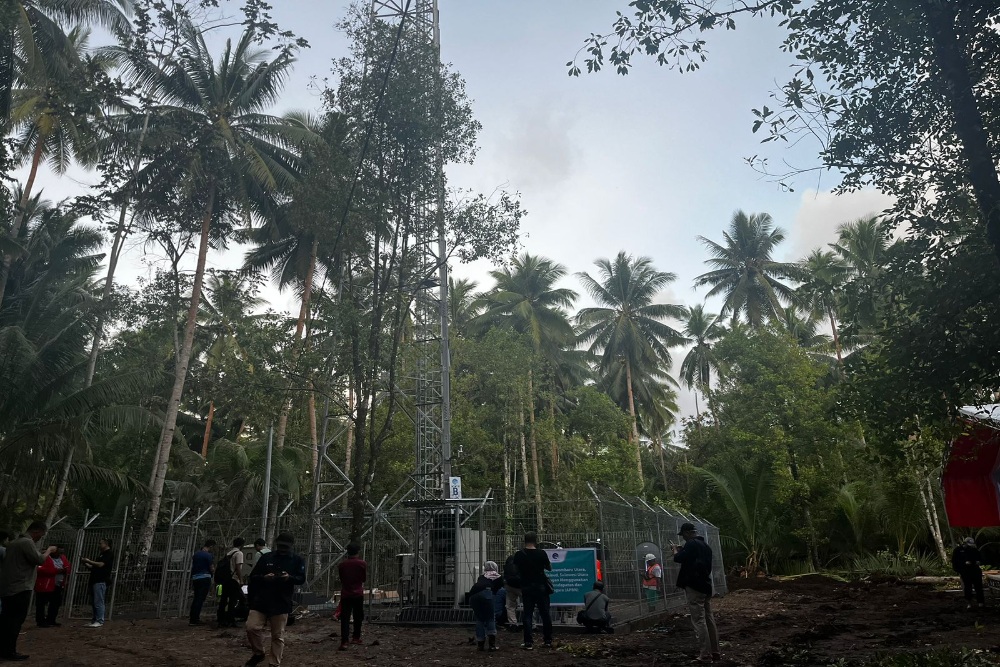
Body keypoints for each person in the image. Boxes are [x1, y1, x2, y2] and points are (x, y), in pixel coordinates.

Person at [243, 532, 306, 667]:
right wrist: (264, 578)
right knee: (251, 627)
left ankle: (274, 663)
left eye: (285, 546)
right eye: (281, 546)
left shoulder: (297, 560)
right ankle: (259, 653)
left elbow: (301, 579)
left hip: (281, 601)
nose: (283, 549)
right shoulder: (266, 557)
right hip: (261, 600)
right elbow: (253, 576)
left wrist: (289, 578)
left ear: (291, 546)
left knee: (277, 635)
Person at [0, 522, 55, 660]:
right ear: (37, 531)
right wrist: (48, 551)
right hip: (21, 587)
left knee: (7, 620)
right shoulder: (26, 542)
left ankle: (4, 649)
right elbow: (39, 560)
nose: (40, 538)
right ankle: (9, 652)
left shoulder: (14, 543)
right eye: (41, 535)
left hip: (9, 587)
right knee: (15, 621)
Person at [673, 522, 719, 662]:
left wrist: (675, 549)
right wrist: (683, 550)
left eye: (683, 536)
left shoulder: (691, 544)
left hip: (694, 587)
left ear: (687, 533)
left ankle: (705, 654)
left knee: (698, 620)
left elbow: (678, 558)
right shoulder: (705, 546)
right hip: (705, 585)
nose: (683, 539)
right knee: (709, 618)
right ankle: (715, 651)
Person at [513, 532, 552, 650]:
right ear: (536, 541)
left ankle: (528, 642)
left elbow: (515, 570)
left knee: (528, 614)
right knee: (545, 613)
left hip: (526, 587)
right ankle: (548, 640)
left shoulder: (519, 555)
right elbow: (549, 568)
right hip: (540, 586)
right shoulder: (541, 553)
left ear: (524, 541)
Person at [337, 543, 367, 650]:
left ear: (347, 552)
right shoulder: (362, 564)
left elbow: (342, 579)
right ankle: (356, 637)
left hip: (346, 594)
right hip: (358, 593)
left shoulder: (342, 565)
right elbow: (363, 579)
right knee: (358, 616)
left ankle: (344, 641)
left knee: (345, 617)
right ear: (357, 552)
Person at [468, 561, 504, 651]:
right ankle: (492, 645)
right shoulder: (498, 577)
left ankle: (480, 645)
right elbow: (496, 591)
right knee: (490, 618)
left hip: (473, 596)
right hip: (487, 593)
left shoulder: (482, 576)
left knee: (480, 619)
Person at [35, 545, 71, 627]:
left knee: (55, 603)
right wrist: (55, 571)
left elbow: (68, 567)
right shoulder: (45, 557)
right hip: (45, 584)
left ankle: (51, 619)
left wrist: (65, 571)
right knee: (41, 603)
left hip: (58, 583)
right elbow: (39, 568)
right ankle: (41, 621)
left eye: (62, 552)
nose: (60, 553)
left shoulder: (62, 558)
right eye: (59, 551)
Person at [82, 538, 114, 628]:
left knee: (98, 601)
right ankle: (95, 620)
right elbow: (94, 567)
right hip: (94, 580)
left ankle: (100, 620)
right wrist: (85, 563)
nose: (99, 545)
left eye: (101, 543)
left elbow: (101, 564)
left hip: (101, 580)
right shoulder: (101, 554)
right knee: (94, 602)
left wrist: (88, 561)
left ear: (107, 544)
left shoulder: (109, 554)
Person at [217, 537, 246, 627]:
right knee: (234, 600)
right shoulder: (239, 553)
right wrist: (241, 579)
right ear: (242, 545)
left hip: (225, 579)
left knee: (224, 599)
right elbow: (238, 567)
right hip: (233, 579)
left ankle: (221, 619)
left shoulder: (229, 553)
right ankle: (231, 619)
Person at [952, 537, 985, 609]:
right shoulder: (958, 550)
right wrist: (963, 565)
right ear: (965, 543)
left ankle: (980, 603)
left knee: (978, 586)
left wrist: (978, 562)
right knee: (967, 587)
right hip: (965, 571)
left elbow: (980, 558)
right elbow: (955, 562)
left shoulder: (974, 549)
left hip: (975, 570)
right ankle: (969, 603)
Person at [189, 539, 216, 625]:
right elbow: (211, 567)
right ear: (211, 546)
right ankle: (195, 619)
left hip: (195, 577)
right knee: (200, 599)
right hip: (205, 577)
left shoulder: (196, 554)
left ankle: (192, 617)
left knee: (196, 598)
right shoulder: (208, 555)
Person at [503, 553, 523, 631]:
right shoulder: (522, 560)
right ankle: (532, 625)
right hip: (521, 586)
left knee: (510, 606)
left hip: (509, 585)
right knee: (528, 605)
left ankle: (513, 624)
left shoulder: (509, 560)